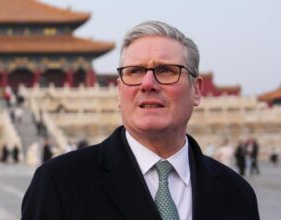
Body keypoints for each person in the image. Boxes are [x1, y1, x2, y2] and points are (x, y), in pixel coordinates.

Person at [21, 20, 259, 220]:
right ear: (119, 91)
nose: (147, 84)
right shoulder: (60, 183)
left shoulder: (237, 194)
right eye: (134, 71)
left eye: (166, 70)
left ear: (196, 90)